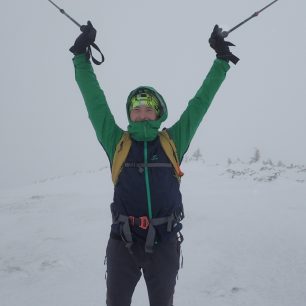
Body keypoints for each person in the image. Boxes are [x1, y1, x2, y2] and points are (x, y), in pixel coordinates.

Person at [70, 21, 238, 306]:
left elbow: (200, 103)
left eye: (148, 108)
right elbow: (94, 102)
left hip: (165, 243)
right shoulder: (117, 142)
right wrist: (80, 58)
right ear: (130, 114)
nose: (142, 113)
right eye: (136, 109)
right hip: (123, 242)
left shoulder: (172, 141)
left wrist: (221, 60)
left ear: (158, 112)